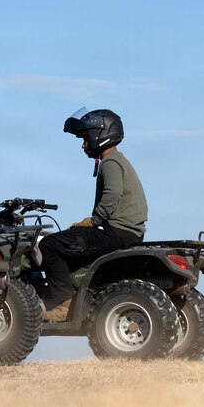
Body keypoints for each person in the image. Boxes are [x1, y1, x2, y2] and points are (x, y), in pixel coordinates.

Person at [35, 107, 148, 323]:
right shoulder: (118, 160)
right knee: (68, 241)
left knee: (49, 245)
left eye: (85, 138)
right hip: (127, 232)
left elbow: (112, 193)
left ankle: (62, 304)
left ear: (99, 135)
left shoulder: (111, 162)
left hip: (115, 232)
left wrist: (93, 221)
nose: (83, 144)